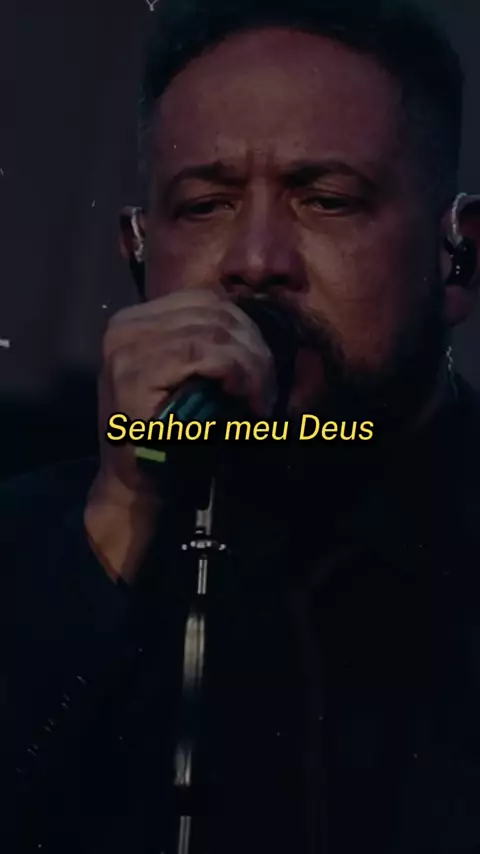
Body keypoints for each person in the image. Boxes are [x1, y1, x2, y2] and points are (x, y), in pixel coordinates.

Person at [4, 0, 480, 851]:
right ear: (139, 251)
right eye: (204, 206)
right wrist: (121, 514)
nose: (256, 261)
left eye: (327, 200)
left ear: (458, 260)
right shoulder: (29, 535)